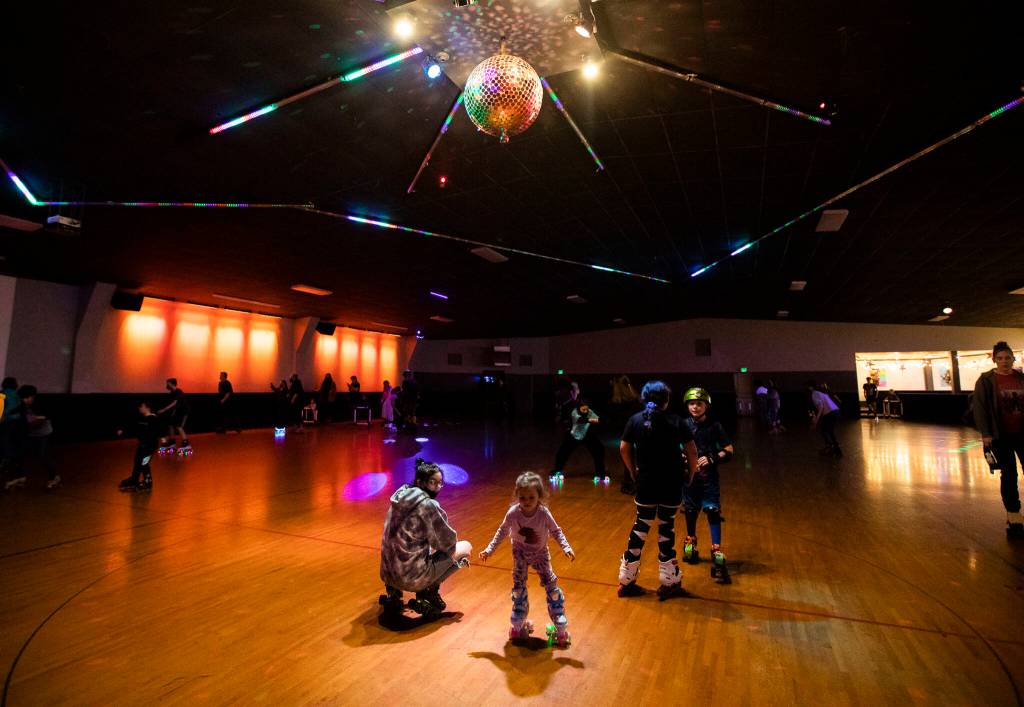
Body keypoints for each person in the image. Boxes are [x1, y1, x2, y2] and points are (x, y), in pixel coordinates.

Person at [617, 381, 699, 599]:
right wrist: (691, 474)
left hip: (646, 483)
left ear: (644, 399)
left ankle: (627, 580)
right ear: (667, 400)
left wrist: (633, 473)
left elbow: (624, 448)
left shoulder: (635, 420)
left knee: (640, 526)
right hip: (671, 483)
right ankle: (669, 581)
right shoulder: (677, 422)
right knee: (666, 529)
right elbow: (692, 452)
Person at [479, 471, 575, 647]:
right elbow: (502, 531)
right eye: (523, 498)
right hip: (520, 554)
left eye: (531, 497)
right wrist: (489, 549)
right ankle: (517, 624)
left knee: (552, 589)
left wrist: (566, 547)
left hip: (540, 554)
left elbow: (556, 531)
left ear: (539, 495)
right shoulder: (513, 513)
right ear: (517, 496)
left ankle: (560, 626)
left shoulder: (543, 513)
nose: (527, 501)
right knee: (518, 589)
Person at [379, 459, 473, 617]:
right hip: (410, 578)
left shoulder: (399, 497)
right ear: (420, 482)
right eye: (432, 482)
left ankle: (393, 594)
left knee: (410, 546)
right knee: (465, 548)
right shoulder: (427, 505)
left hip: (388, 573)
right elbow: (447, 542)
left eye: (440, 483)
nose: (437, 487)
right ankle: (427, 592)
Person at [680, 388, 736, 584]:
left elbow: (729, 449)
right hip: (689, 476)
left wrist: (713, 457)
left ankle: (716, 548)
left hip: (708, 476)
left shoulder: (714, 426)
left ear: (706, 406)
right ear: (687, 406)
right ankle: (690, 542)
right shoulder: (683, 424)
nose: (695, 407)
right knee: (690, 509)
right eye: (691, 403)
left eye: (699, 404)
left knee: (712, 510)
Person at [971, 341, 1024, 537]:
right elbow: (980, 407)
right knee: (1009, 474)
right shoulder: (986, 381)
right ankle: (1013, 514)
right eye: (1000, 358)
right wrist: (986, 433)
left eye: (1007, 358)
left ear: (1013, 358)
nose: (1004, 362)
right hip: (1001, 435)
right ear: (994, 360)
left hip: (1022, 433)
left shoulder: (1021, 378)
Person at [552, 397, 606, 478]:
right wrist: (592, 419)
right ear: (578, 408)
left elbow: (598, 419)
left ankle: (600, 472)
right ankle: (557, 470)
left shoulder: (590, 412)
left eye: (586, 409)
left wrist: (594, 419)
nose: (585, 411)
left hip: (586, 435)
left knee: (599, 449)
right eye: (583, 409)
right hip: (574, 436)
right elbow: (581, 420)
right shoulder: (574, 412)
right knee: (562, 453)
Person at [20, 385, 59, 489]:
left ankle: (54, 476)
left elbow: (42, 419)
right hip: (31, 433)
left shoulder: (40, 405)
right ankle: (20, 475)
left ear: (32, 397)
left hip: (43, 433)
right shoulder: (23, 405)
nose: (24, 401)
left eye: (26, 398)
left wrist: (33, 420)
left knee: (42, 455)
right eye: (23, 398)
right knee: (22, 452)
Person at [118, 401, 162, 492]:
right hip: (142, 445)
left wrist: (162, 440)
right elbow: (134, 428)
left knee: (144, 463)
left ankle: (148, 482)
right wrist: (124, 431)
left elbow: (157, 432)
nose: (139, 408)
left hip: (150, 446)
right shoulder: (142, 419)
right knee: (137, 462)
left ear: (147, 408)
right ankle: (134, 479)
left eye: (141, 406)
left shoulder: (153, 419)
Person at [1, 377, 26, 489]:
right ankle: (18, 474)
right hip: (18, 424)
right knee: (14, 448)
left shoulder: (3, 394)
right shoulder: (17, 395)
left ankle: (9, 470)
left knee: (6, 447)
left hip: (6, 423)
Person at [157, 378, 191, 454]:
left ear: (172, 384)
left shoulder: (178, 392)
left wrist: (164, 410)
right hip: (177, 411)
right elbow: (173, 405)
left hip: (184, 411)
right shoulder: (172, 393)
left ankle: (186, 444)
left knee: (179, 426)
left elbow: (175, 403)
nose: (167, 385)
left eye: (168, 383)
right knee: (170, 424)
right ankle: (172, 442)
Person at [809, 381, 842, 457]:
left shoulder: (814, 394)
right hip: (835, 411)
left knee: (825, 431)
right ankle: (835, 448)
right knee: (828, 431)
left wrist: (816, 420)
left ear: (810, 387)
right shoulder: (821, 393)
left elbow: (821, 407)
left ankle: (831, 447)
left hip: (830, 413)